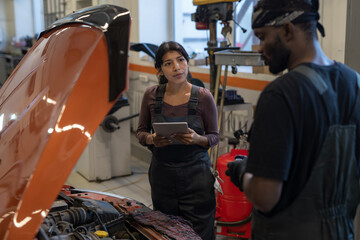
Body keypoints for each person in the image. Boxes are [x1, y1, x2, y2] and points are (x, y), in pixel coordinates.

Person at [225, 0, 360, 239]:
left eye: (263, 36)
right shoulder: (354, 82)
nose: (260, 48)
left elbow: (265, 197)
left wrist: (243, 172)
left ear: (287, 30)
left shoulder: (280, 94)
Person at [136, 41, 219, 240]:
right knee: (165, 230)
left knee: (199, 232)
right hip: (162, 175)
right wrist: (152, 139)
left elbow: (215, 136)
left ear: (188, 62)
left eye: (181, 60)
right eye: (168, 63)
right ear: (160, 69)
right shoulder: (151, 95)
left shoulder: (203, 97)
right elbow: (140, 132)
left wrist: (197, 138)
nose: (176, 67)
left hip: (196, 178)